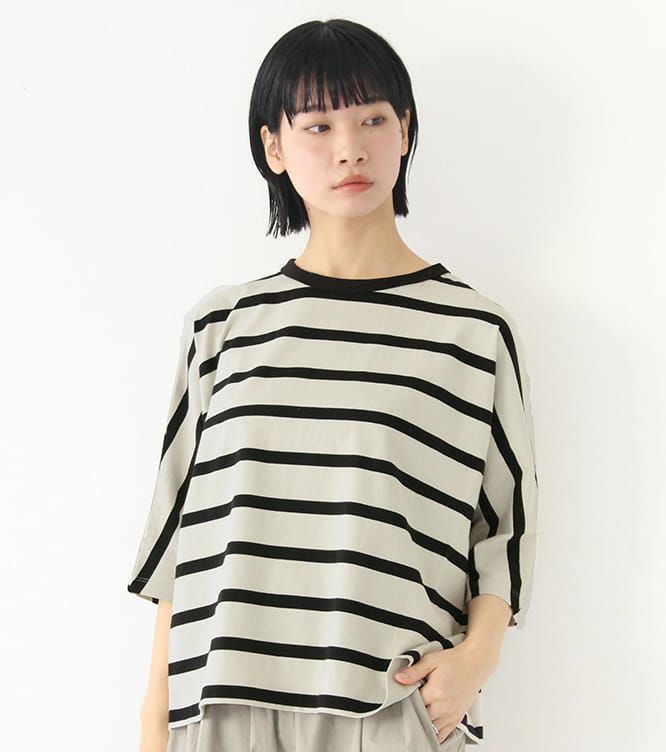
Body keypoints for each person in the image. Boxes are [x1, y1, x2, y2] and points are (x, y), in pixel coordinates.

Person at [129, 18, 540, 752]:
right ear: (274, 147)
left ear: (405, 130)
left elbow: (505, 534)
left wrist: (476, 662)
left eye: (372, 119)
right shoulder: (222, 326)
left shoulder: (473, 332)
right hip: (221, 708)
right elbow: (177, 547)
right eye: (317, 126)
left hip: (386, 704)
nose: (349, 148)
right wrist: (153, 725)